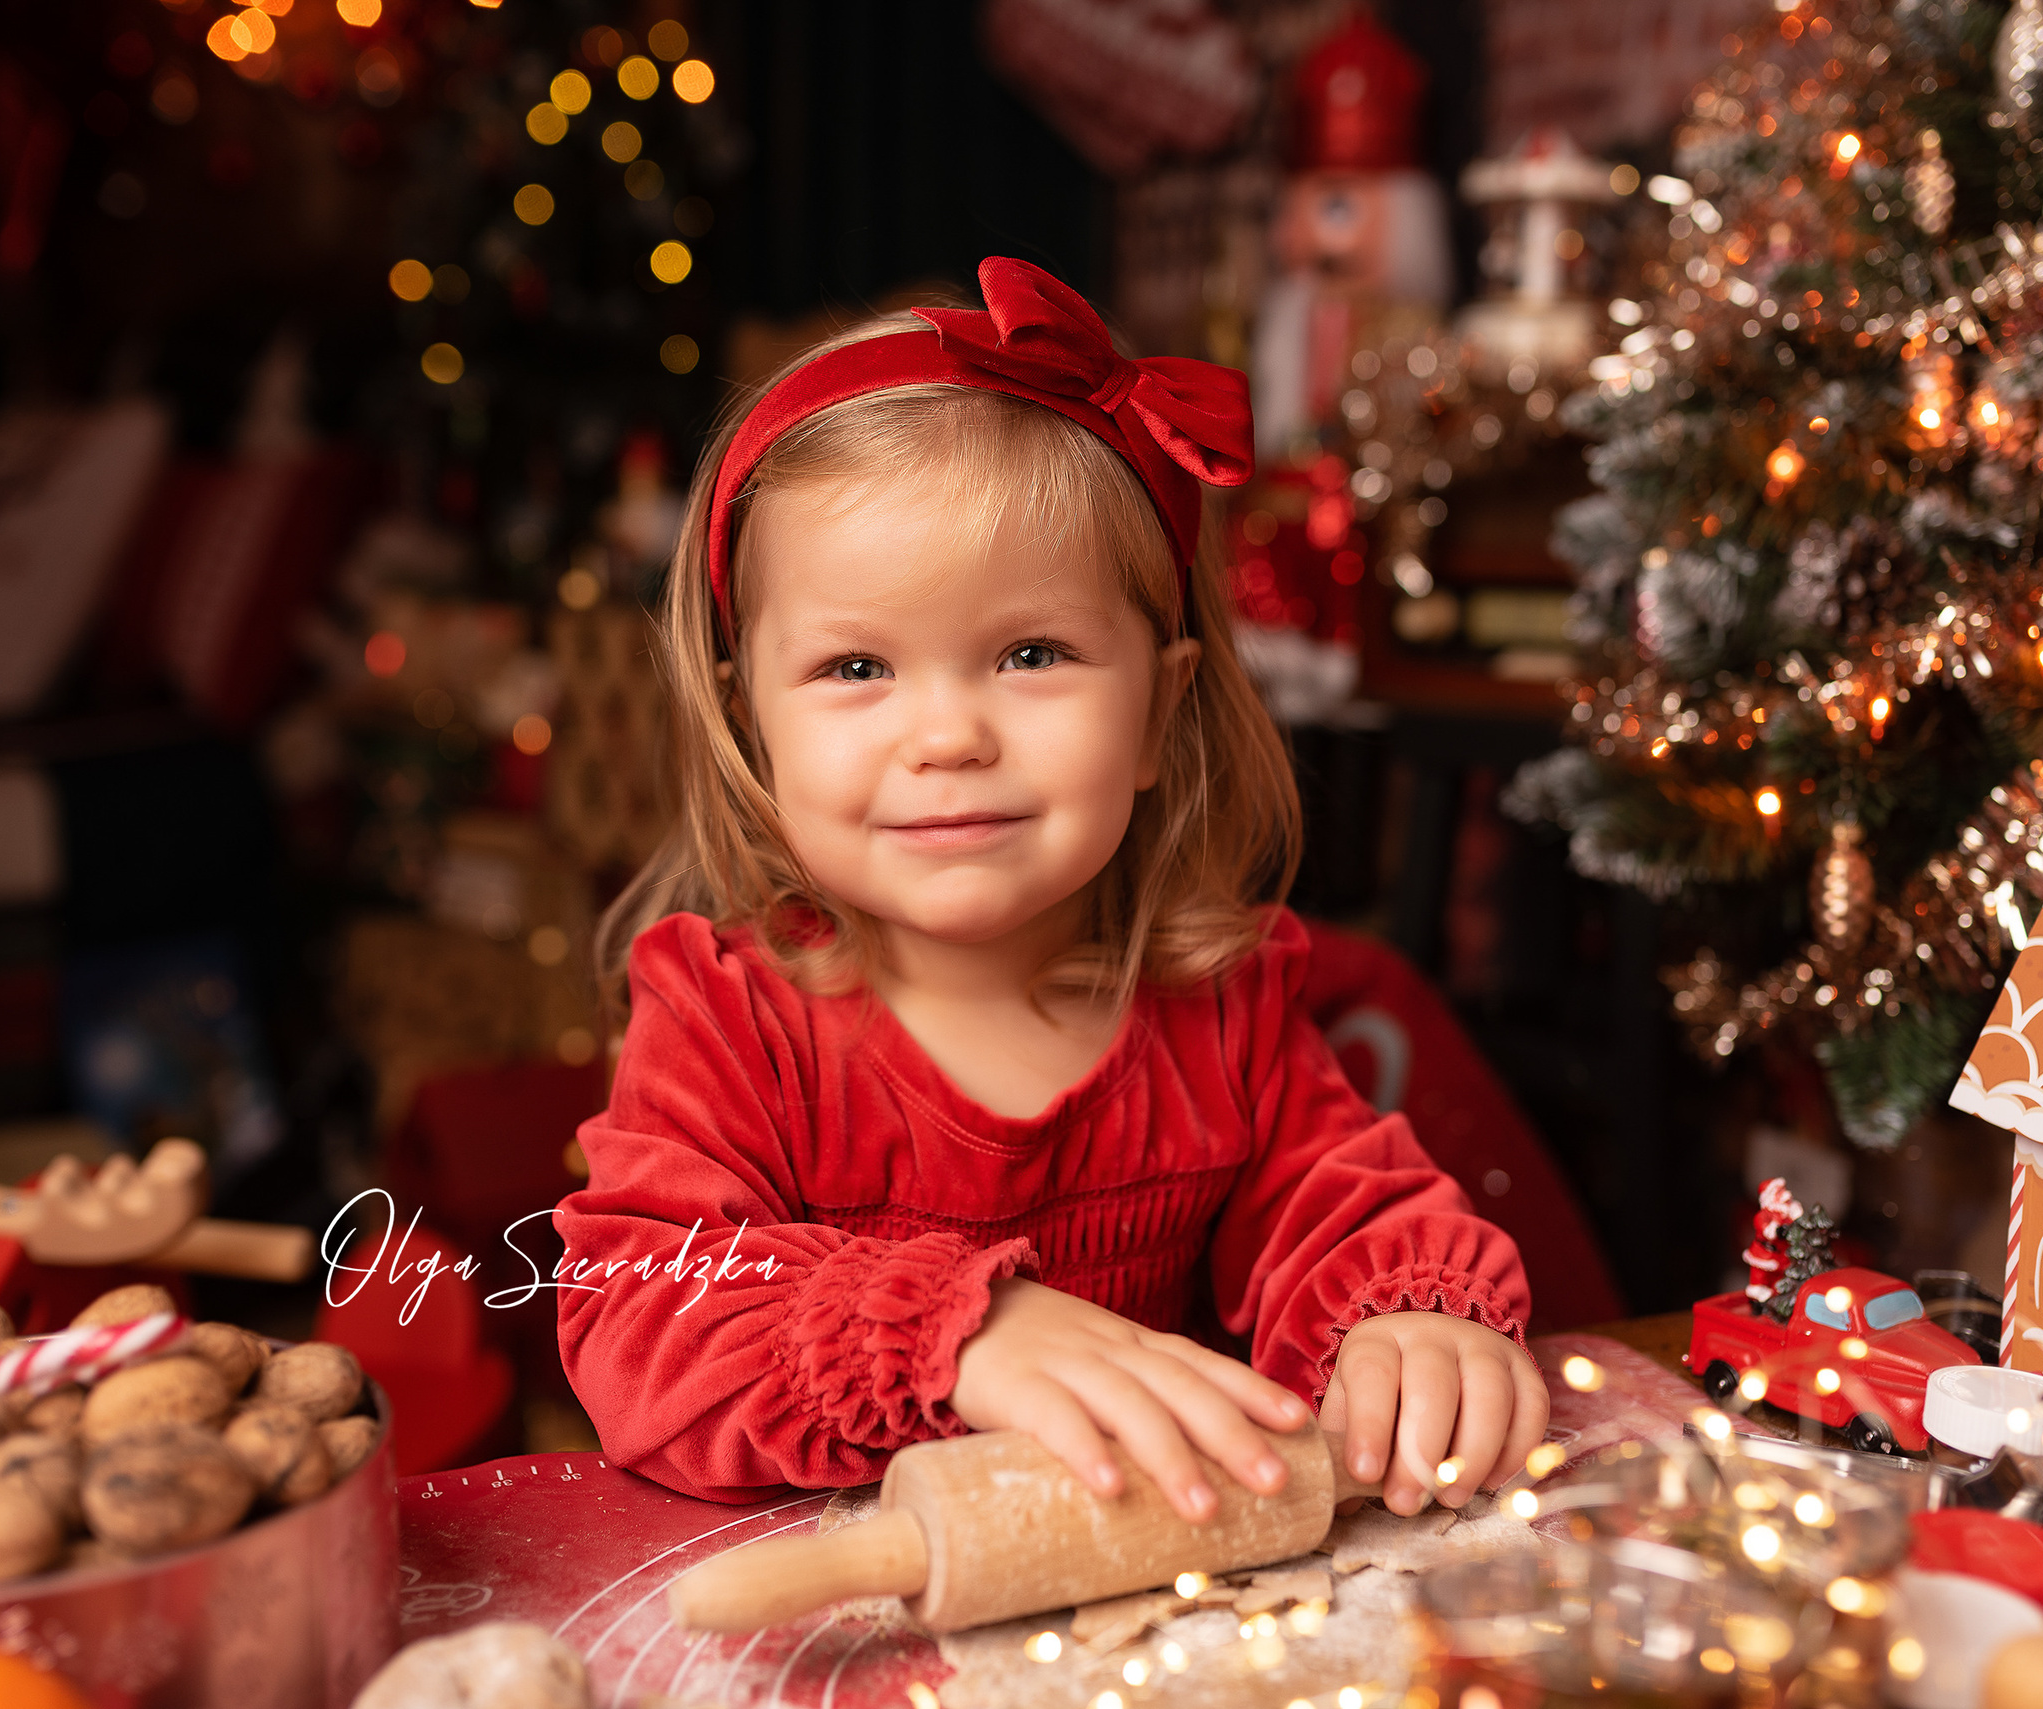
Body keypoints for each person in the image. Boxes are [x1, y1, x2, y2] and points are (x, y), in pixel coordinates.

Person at [555, 257, 1545, 1527]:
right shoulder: (728, 1023)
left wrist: (1409, 1321)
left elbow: (1342, 1210)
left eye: (1032, 653)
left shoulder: (1219, 1005)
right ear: (755, 732)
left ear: (1158, 711)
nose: (949, 734)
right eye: (857, 665)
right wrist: (956, 1337)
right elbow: (642, 1317)